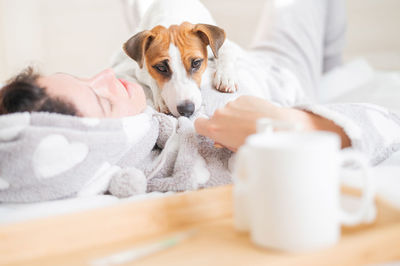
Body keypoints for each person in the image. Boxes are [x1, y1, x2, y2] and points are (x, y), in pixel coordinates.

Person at [0, 0, 399, 202]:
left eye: (84, 75)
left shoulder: (129, 79)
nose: (107, 76)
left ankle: (330, 67)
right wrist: (289, 123)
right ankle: (328, 69)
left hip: (243, 59)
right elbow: (386, 125)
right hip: (282, 76)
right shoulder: (171, 159)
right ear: (98, 141)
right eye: (99, 97)